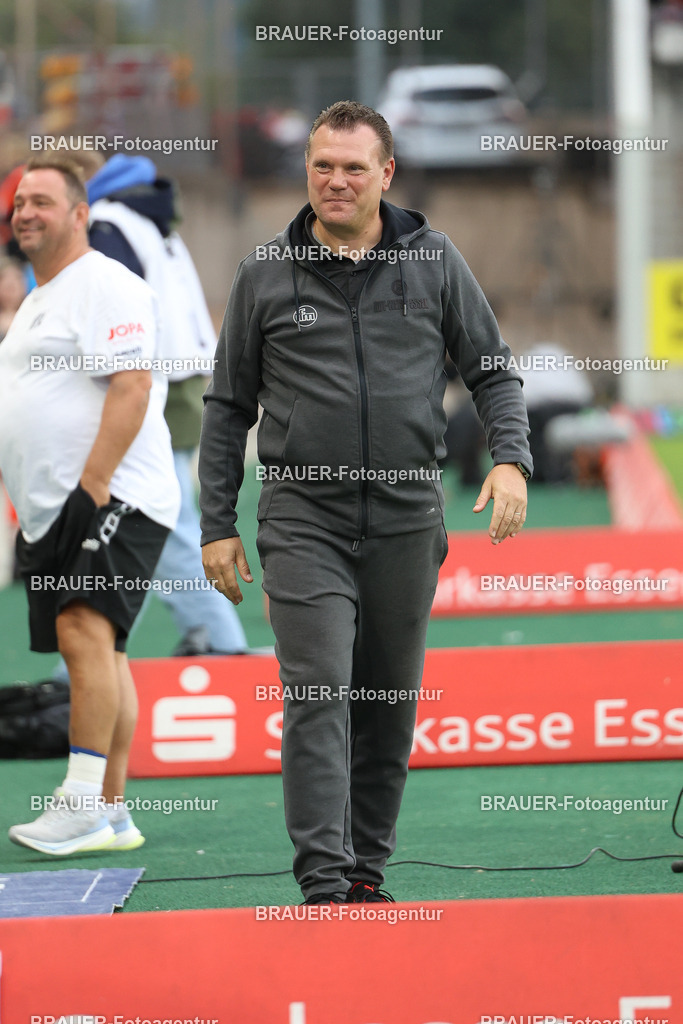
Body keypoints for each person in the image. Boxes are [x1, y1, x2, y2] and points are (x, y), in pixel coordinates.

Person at [199, 101, 532, 904]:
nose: (336, 180)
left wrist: (511, 460)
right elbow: (227, 406)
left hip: (407, 516)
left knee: (385, 705)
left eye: (354, 167)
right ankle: (322, 881)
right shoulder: (262, 272)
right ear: (306, 169)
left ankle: (364, 874)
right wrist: (216, 524)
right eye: (323, 165)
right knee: (318, 694)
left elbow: (491, 370)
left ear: (386, 173)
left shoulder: (435, 260)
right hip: (300, 517)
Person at [0, 155, 180, 855]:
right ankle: (110, 812)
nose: (25, 213)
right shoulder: (42, 296)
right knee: (104, 649)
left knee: (82, 628)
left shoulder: (103, 281)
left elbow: (132, 385)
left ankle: (78, 803)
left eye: (42, 201)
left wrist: (94, 487)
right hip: (57, 507)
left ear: (80, 214)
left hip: (111, 494)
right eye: (19, 203)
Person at [63, 152, 248, 657]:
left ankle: (219, 643)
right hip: (175, 379)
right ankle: (209, 638)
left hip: (147, 384)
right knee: (160, 518)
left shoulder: (107, 222)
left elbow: (108, 314)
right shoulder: (144, 213)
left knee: (162, 522)